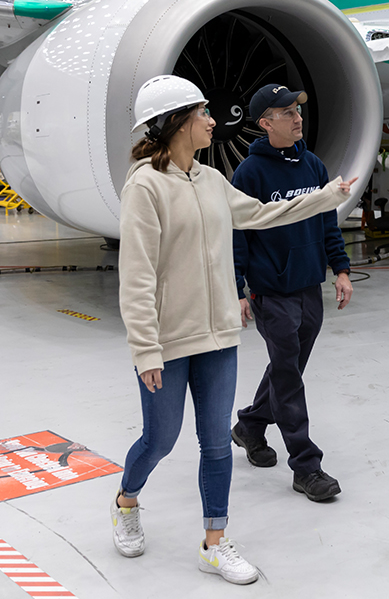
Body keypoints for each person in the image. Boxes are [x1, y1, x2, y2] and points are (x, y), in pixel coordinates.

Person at [113, 75, 356, 585]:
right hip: (169, 341)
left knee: (217, 445)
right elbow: (136, 277)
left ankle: (214, 542)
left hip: (218, 335)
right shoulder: (145, 186)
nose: (212, 120)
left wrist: (327, 196)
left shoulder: (211, 179)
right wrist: (146, 349)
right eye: (203, 112)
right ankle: (127, 500)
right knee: (160, 440)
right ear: (177, 121)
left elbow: (263, 216)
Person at [230, 84, 353, 503]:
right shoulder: (250, 174)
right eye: (286, 112)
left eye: (297, 110)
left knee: (289, 369)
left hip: (307, 287)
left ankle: (249, 425)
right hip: (271, 291)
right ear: (265, 124)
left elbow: (326, 223)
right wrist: (239, 288)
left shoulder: (313, 165)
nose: (298, 117)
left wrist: (341, 268)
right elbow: (238, 234)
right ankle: (306, 466)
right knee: (288, 377)